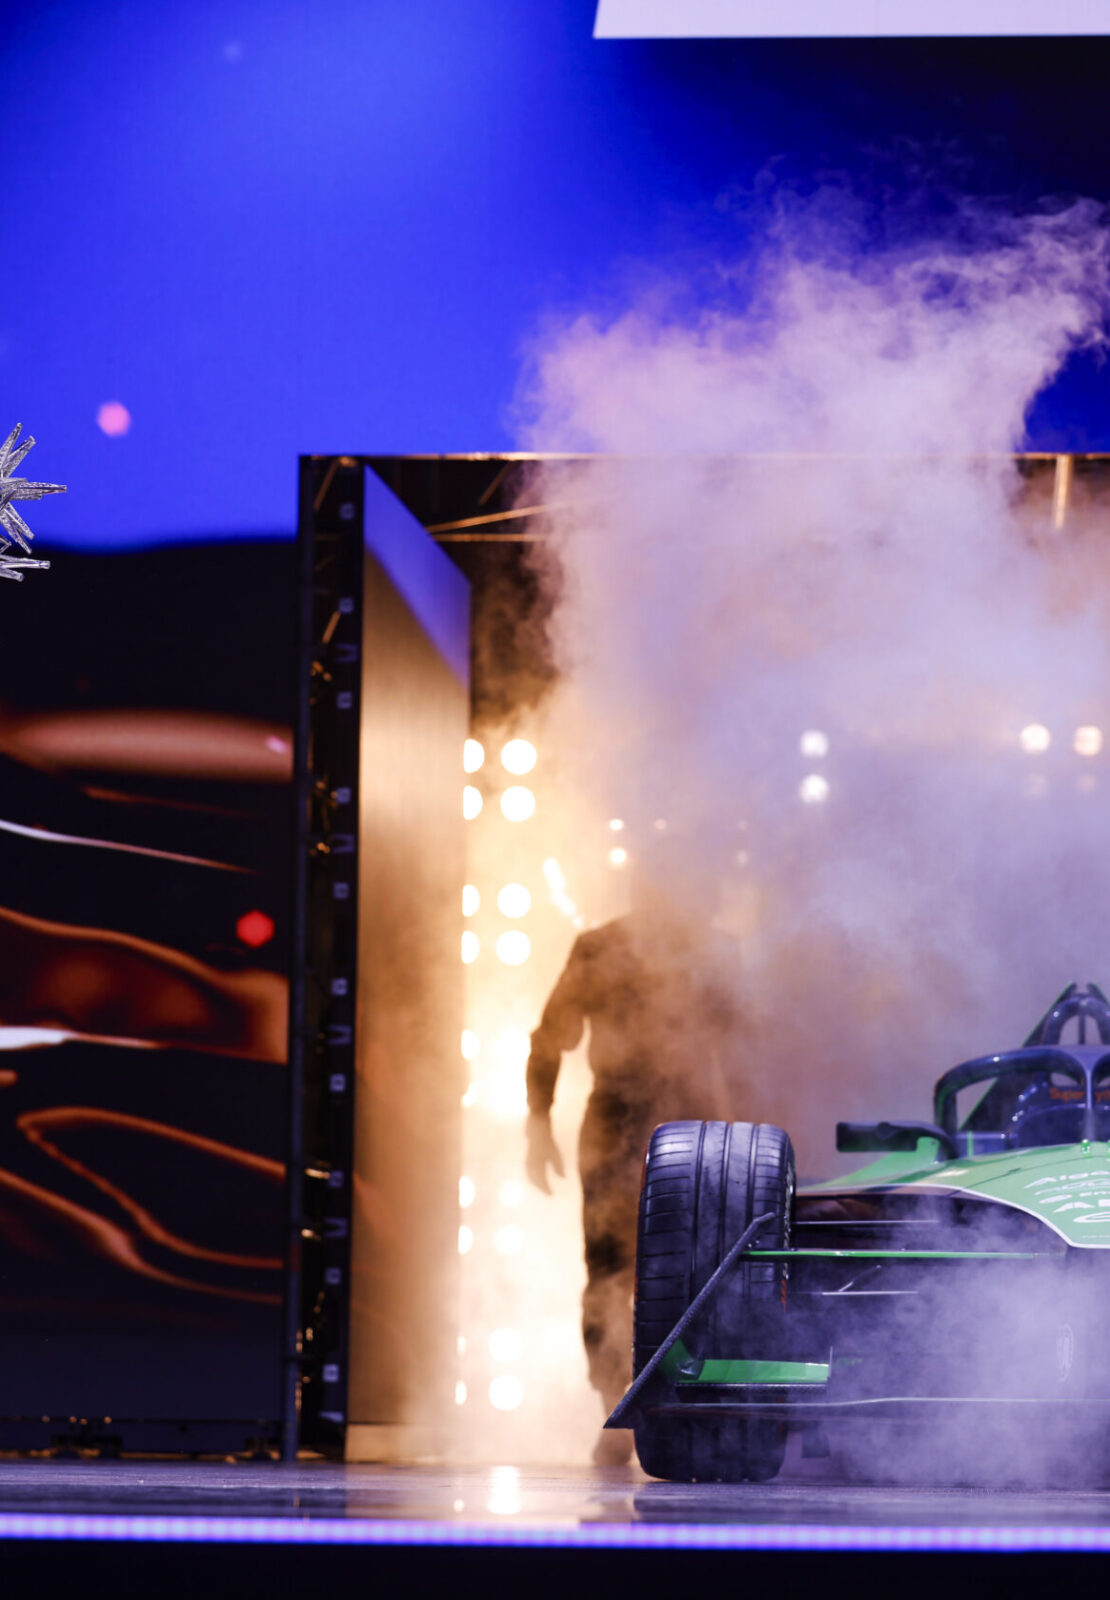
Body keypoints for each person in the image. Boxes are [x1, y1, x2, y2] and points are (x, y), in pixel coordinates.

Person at [524, 854, 749, 1465]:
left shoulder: (711, 954)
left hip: (690, 1124)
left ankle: (674, 1407)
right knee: (614, 1269)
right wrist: (537, 1120)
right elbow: (551, 1036)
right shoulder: (606, 948)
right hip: (635, 1122)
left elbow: (745, 1048)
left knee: (690, 1271)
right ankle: (617, 1412)